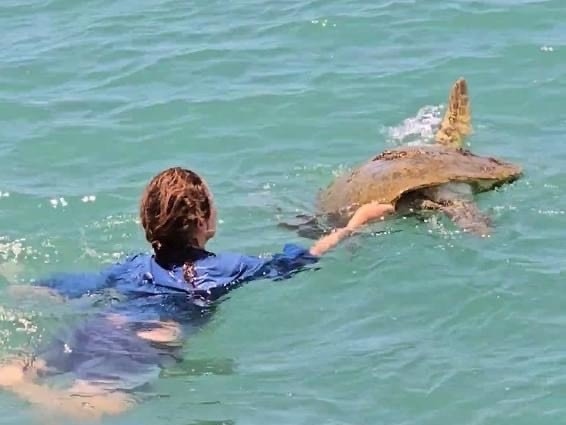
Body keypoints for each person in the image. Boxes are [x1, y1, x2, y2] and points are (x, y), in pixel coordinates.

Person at [0, 166, 394, 420]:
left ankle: (19, 377)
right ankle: (26, 389)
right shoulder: (229, 269)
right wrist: (355, 223)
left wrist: (25, 286)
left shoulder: (131, 267)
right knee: (94, 409)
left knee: (23, 367)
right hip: (144, 344)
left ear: (148, 224)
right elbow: (300, 260)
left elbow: (75, 287)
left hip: (99, 328)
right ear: (204, 221)